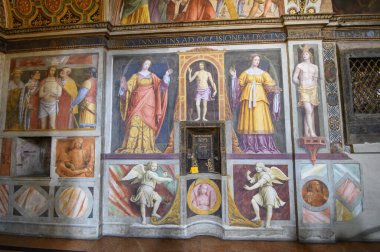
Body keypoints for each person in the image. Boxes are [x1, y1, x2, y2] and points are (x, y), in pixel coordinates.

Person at [116, 59, 172, 154]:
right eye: (145, 63)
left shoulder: (152, 76)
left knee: (148, 124)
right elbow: (127, 88)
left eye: (148, 64)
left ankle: (147, 147)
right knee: (134, 121)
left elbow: (161, 87)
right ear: (142, 64)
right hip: (136, 102)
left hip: (149, 103)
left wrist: (166, 76)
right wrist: (122, 87)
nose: (147, 65)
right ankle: (131, 147)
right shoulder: (135, 76)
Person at [230, 54, 281, 153]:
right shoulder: (245, 73)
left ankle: (262, 145)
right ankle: (249, 145)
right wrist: (233, 77)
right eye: (255, 60)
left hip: (260, 98)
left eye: (258, 60)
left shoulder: (263, 73)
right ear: (251, 60)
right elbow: (238, 85)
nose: (257, 62)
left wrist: (274, 89)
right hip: (247, 98)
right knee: (248, 120)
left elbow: (269, 85)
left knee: (260, 119)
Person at [244, 163, 288, 228]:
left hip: (269, 191)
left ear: (262, 168)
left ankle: (267, 224)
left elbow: (259, 183)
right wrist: (247, 175)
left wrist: (250, 188)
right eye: (256, 167)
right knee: (253, 200)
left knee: (269, 207)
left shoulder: (266, 175)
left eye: (259, 167)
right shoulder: (257, 174)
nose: (257, 168)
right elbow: (252, 181)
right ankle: (257, 216)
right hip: (261, 191)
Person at [292, 45, 320, 137]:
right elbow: (294, 78)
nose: (305, 55)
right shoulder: (299, 66)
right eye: (303, 54)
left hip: (313, 89)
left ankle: (306, 132)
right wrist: (300, 83)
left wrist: (314, 86)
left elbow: (315, 79)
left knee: (310, 111)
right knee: (308, 109)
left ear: (310, 55)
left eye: (306, 54)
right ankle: (312, 132)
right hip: (304, 89)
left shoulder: (315, 67)